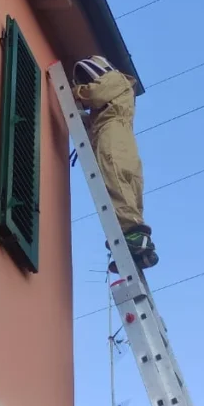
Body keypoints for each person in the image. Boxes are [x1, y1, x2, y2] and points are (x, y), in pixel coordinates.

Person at [71, 55, 158, 270]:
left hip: (112, 134)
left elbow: (96, 93)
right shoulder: (116, 95)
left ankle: (132, 234)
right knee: (128, 184)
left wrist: (76, 92)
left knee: (114, 179)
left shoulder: (115, 79)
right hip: (121, 136)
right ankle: (138, 250)